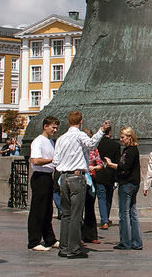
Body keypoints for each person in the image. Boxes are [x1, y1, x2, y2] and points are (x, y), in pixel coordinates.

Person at [51, 111, 110, 259]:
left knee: (66, 214)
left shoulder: (61, 138)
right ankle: (74, 248)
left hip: (63, 177)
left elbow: (55, 160)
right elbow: (91, 145)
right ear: (81, 122)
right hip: (77, 177)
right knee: (76, 215)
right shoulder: (80, 135)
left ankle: (63, 247)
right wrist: (102, 130)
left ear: (68, 121)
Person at [104, 126, 142, 251]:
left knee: (124, 214)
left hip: (127, 183)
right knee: (132, 213)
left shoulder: (131, 151)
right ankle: (136, 242)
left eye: (122, 137)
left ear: (129, 137)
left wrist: (111, 165)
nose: (120, 139)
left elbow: (124, 167)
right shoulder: (130, 150)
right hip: (132, 184)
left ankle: (125, 241)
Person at [27, 116, 60, 251]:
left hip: (48, 176)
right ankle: (34, 241)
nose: (55, 130)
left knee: (47, 210)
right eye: (53, 127)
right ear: (45, 126)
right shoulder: (38, 141)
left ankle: (49, 239)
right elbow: (35, 160)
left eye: (56, 128)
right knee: (37, 210)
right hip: (40, 176)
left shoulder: (50, 142)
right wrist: (52, 160)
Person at [95, 126, 120, 230]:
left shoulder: (97, 144)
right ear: (110, 133)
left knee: (101, 197)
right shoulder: (115, 145)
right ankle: (106, 218)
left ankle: (104, 220)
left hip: (99, 172)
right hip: (111, 173)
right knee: (109, 196)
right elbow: (117, 161)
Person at [81, 128, 101, 245]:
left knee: (89, 208)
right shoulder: (78, 149)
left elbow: (99, 164)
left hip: (91, 181)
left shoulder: (94, 150)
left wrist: (94, 168)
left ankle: (90, 234)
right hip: (80, 179)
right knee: (78, 209)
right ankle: (78, 234)